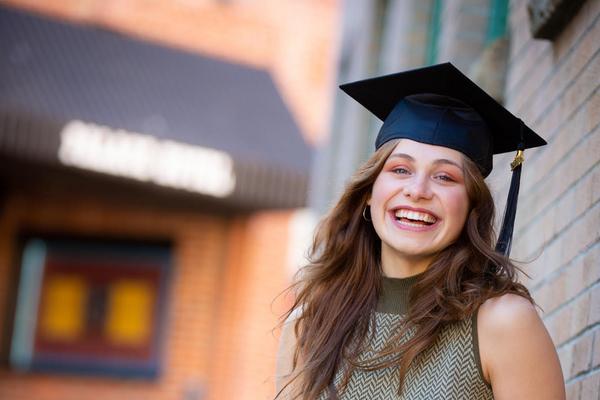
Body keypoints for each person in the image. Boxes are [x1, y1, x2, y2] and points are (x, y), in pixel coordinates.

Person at [275, 63, 565, 400]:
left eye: (444, 177)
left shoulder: (502, 323)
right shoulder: (310, 324)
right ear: (369, 193)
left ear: (471, 207)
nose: (418, 190)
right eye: (400, 169)